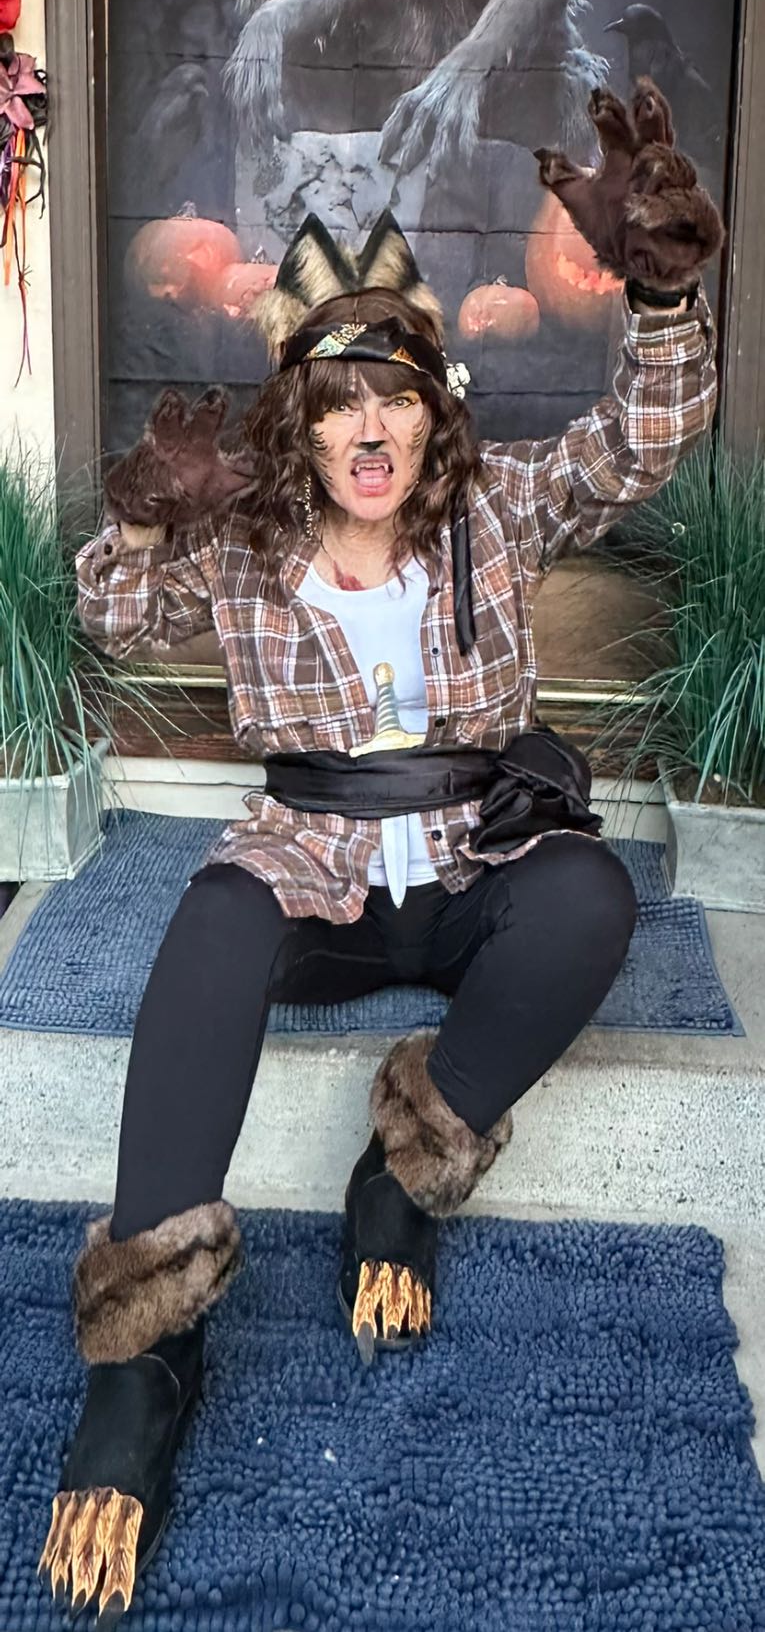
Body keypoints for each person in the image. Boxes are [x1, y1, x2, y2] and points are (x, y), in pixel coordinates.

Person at [40, 84, 720, 1618]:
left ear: (434, 408)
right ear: (299, 413)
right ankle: (143, 1360)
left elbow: (638, 443)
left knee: (588, 893)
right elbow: (114, 617)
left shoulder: (495, 507)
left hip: (470, 864)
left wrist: (661, 298)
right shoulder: (247, 536)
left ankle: (400, 1173)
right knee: (212, 921)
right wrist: (138, 527)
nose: (367, 427)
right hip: (317, 878)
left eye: (394, 396)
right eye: (338, 397)